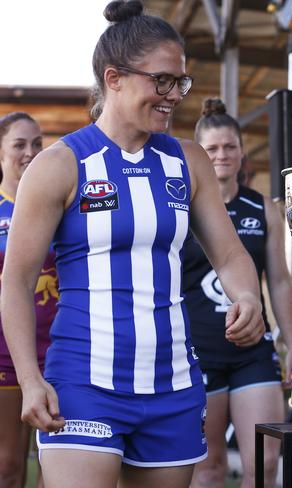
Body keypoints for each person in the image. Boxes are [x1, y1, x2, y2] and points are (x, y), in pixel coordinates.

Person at [0, 2, 264, 488]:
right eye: (162, 81)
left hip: (173, 386)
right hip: (84, 383)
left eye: (180, 82)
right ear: (114, 77)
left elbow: (230, 256)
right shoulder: (59, 165)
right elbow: (15, 281)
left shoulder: (189, 161)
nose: (174, 96)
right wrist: (30, 379)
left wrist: (246, 297)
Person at [185, 98, 292, 488]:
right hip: (197, 351)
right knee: (208, 467)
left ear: (241, 150)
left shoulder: (263, 208)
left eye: (229, 146)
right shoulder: (180, 207)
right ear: (199, 153)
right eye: (212, 148)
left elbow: (280, 281)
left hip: (252, 350)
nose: (222, 155)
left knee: (266, 461)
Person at [0, 112, 54, 488]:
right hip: (4, 351)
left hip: (58, 352)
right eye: (19, 144)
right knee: (7, 464)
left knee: (55, 463)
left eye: (37, 143)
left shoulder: (61, 208)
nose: (31, 152)